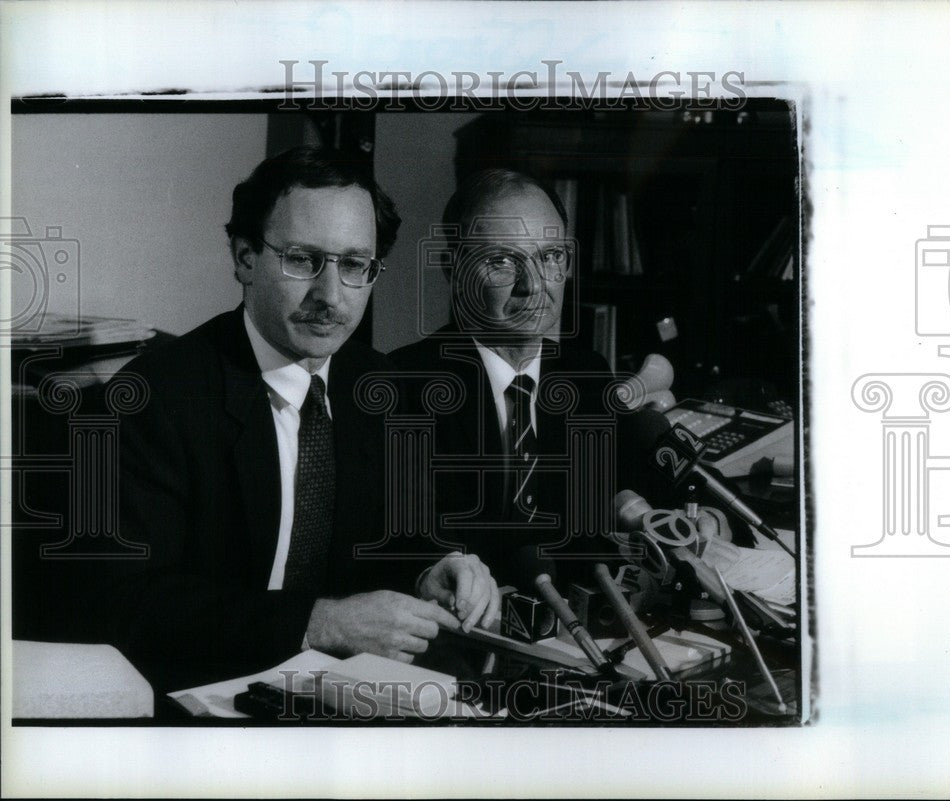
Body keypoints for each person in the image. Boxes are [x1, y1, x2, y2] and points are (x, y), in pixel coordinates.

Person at [105, 147, 498, 692]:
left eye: (355, 265)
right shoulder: (152, 396)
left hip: (344, 698)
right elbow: (125, 601)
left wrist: (433, 569)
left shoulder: (382, 387)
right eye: (301, 259)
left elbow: (397, 538)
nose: (330, 296)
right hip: (202, 702)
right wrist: (320, 623)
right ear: (245, 258)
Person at [390, 168, 619, 593]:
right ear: (452, 270)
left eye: (550, 256)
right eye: (501, 261)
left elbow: (620, 501)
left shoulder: (586, 375)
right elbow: (406, 552)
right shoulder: (402, 387)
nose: (533, 285)